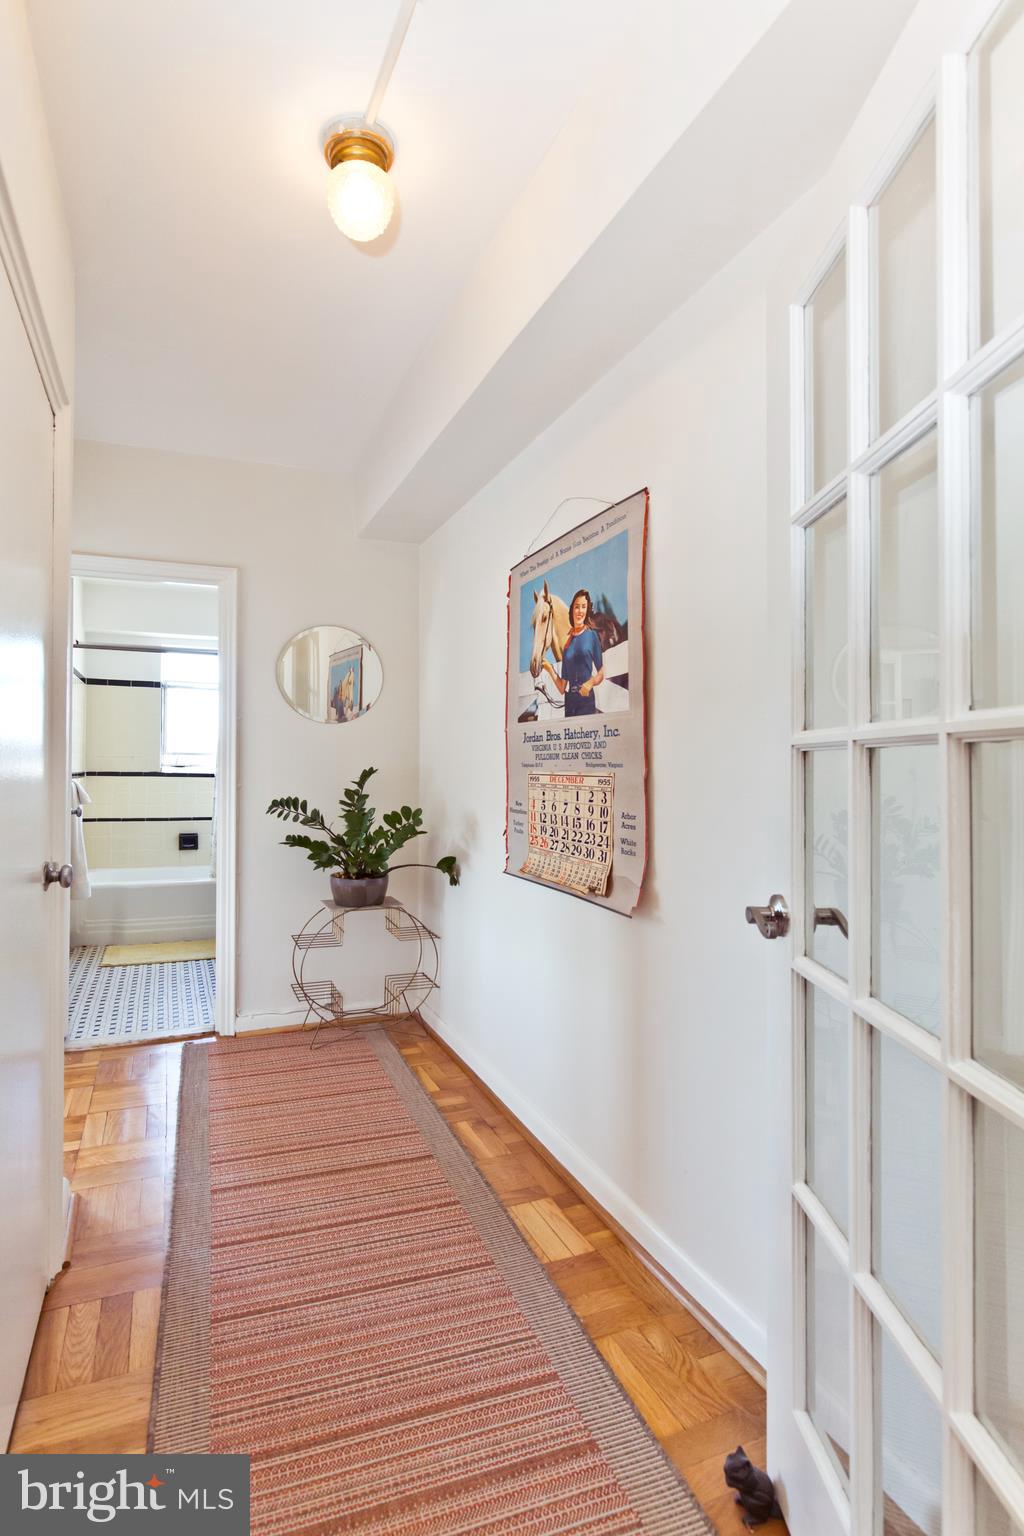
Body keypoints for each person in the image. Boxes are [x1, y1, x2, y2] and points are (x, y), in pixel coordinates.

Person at [551, 588, 604, 716]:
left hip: (586, 700)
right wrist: (549, 669)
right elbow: (562, 688)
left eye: (583, 607)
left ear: (587, 611)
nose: (580, 611)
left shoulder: (592, 636)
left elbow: (601, 673)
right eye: (577, 607)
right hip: (569, 702)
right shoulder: (567, 644)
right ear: (572, 610)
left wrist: (590, 683)